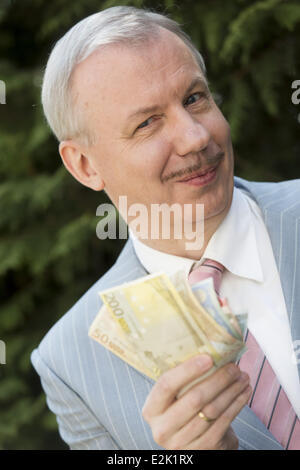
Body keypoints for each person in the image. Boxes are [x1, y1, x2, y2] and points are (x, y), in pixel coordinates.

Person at [31, 6, 300, 450]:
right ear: (83, 165)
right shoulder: (70, 362)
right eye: (147, 123)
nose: (196, 137)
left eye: (195, 98)